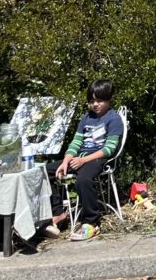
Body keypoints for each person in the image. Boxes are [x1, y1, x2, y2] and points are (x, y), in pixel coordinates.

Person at [44, 80, 123, 241]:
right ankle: (59, 213)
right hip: (79, 157)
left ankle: (92, 223)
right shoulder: (86, 118)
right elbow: (76, 142)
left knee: (83, 179)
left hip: (99, 159)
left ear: (109, 99)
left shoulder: (113, 119)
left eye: (99, 100)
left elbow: (110, 149)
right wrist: (66, 161)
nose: (95, 104)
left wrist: (83, 160)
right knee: (44, 172)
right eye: (92, 101)